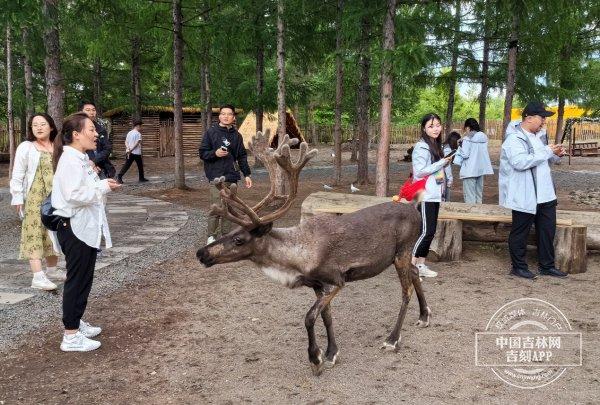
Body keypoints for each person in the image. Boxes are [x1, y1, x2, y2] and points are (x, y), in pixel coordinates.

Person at [52, 112, 121, 351]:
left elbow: (86, 187)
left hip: (84, 228)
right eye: (91, 130)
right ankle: (70, 336)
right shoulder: (70, 160)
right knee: (77, 280)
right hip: (74, 228)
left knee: (84, 279)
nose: (96, 134)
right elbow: (73, 195)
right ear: (76, 134)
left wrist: (103, 185)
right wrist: (102, 186)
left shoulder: (79, 158)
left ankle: (76, 322)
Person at [499, 101, 567, 279]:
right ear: (529, 118)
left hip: (545, 194)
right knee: (520, 232)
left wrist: (555, 154)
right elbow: (520, 162)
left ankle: (547, 265)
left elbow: (542, 160)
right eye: (542, 117)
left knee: (547, 231)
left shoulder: (538, 137)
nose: (544, 121)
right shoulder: (514, 139)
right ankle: (519, 267)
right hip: (525, 194)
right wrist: (546, 151)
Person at [10, 113, 63, 290]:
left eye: (43, 124)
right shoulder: (26, 147)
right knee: (34, 233)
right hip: (34, 196)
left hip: (54, 196)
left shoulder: (57, 147)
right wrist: (17, 196)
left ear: (51, 127)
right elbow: (18, 173)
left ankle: (52, 270)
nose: (39, 128)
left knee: (52, 231)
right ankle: (37, 277)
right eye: (35, 125)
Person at [199, 104, 252, 245]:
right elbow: (202, 153)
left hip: (232, 175)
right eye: (223, 114)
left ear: (233, 117)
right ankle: (211, 235)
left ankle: (226, 235)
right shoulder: (211, 132)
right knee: (216, 206)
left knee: (229, 207)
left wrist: (246, 174)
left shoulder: (237, 135)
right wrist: (214, 153)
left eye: (229, 114)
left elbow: (241, 156)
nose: (226, 116)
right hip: (216, 176)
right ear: (219, 116)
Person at [411, 113, 453, 278]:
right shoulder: (422, 147)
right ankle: (410, 265)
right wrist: (442, 162)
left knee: (430, 231)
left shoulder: (435, 145)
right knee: (426, 232)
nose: (435, 129)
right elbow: (420, 171)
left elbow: (437, 171)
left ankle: (421, 264)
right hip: (425, 195)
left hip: (435, 194)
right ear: (424, 129)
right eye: (431, 126)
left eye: (437, 125)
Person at [454, 118, 494, 204]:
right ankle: (479, 216)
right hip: (480, 171)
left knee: (470, 197)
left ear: (468, 128)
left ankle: (470, 216)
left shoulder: (467, 139)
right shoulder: (483, 138)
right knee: (478, 196)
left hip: (469, 172)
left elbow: (465, 154)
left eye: (465, 129)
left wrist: (460, 146)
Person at [80, 101, 115, 179]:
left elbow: (107, 148)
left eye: (93, 110)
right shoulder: (75, 129)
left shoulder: (101, 129)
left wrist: (94, 161)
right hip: (81, 167)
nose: (91, 112)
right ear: (81, 112)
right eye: (88, 110)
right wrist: (88, 164)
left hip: (101, 167)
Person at [116, 119, 148, 184]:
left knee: (128, 165)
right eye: (141, 126)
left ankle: (120, 176)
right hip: (136, 153)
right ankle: (141, 178)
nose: (141, 128)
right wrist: (131, 150)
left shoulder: (129, 132)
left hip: (130, 152)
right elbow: (137, 144)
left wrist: (128, 149)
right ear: (138, 126)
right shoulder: (138, 134)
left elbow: (126, 141)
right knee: (139, 166)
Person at [442, 131, 461, 202]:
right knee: (445, 196)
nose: (458, 144)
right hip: (442, 175)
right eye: (458, 141)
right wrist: (450, 178)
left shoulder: (444, 145)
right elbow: (447, 165)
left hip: (438, 173)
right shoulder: (448, 149)